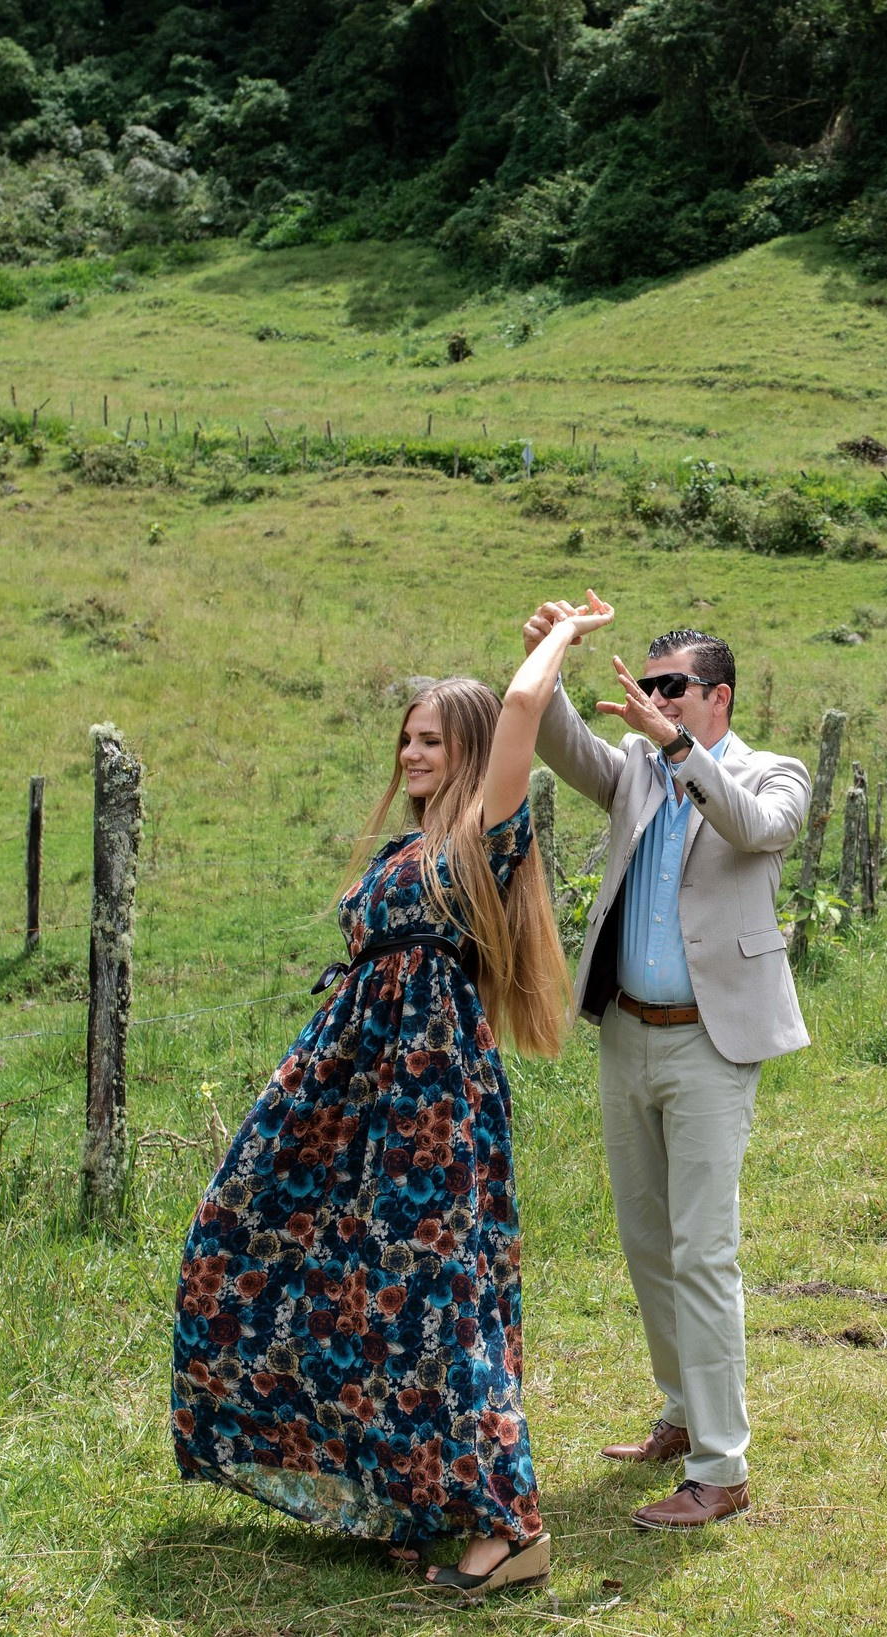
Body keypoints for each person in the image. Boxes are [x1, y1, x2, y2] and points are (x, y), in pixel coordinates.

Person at [170, 600, 610, 1599]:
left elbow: (525, 702)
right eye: (405, 737)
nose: (411, 752)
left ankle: (512, 1523)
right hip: (350, 1096)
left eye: (431, 738)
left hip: (425, 1106)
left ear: (467, 751)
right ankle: (406, 1496)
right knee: (298, 1264)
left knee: (439, 1304)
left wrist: (561, 634)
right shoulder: (398, 853)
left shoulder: (480, 839)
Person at [522, 592, 810, 1530]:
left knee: (704, 1249)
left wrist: (678, 751)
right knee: (650, 1245)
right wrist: (551, 653)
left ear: (717, 697)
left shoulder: (774, 774)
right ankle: (683, 1415)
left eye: (673, 687)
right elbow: (560, 744)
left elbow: (753, 830)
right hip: (627, 1032)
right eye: (648, 687)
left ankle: (723, 1468)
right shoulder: (639, 769)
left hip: (710, 1040)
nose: (655, 700)